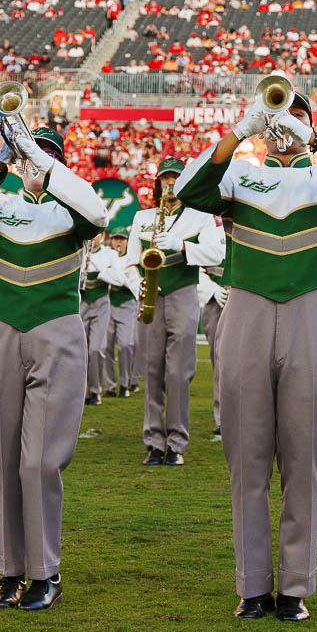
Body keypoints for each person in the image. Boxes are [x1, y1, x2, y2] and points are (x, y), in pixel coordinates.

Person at [176, 85, 317, 622]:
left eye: (296, 113)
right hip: (246, 309)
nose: (284, 122)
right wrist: (241, 132)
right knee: (246, 458)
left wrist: (315, 140)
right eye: (276, 113)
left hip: (314, 311)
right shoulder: (240, 176)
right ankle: (251, 585)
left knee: (302, 458)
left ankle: (294, 586)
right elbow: (188, 189)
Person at [0, 124, 107, 612]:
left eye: (48, 156)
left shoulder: (72, 207)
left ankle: (45, 571)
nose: (36, 164)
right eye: (30, 155)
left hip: (55, 330)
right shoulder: (2, 205)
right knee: (1, 457)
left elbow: (97, 214)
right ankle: (9, 571)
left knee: (39, 460)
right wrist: (1, 161)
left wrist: (48, 166)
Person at [129, 158, 219, 466]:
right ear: (158, 183)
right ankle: (154, 441)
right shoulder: (142, 217)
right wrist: (137, 286)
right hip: (150, 297)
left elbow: (217, 253)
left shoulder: (201, 218)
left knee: (179, 373)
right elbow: (130, 263)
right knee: (151, 372)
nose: (170, 184)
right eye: (165, 179)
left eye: (175, 180)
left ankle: (177, 442)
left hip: (182, 295)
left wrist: (181, 245)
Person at [79, 230, 125, 409]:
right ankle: (81, 392)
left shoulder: (110, 254)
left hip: (101, 303)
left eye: (96, 235)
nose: (93, 238)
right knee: (80, 350)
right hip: (81, 302)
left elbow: (120, 279)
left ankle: (96, 390)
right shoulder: (79, 251)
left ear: (103, 236)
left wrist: (98, 268)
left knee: (96, 349)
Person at [195, 221, 229, 437]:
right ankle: (223, 418)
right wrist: (213, 290)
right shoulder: (210, 233)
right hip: (216, 302)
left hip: (247, 300)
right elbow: (194, 267)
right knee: (220, 360)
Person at [103, 227, 139, 398]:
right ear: (111, 240)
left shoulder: (130, 259)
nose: (119, 242)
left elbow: (127, 281)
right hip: (108, 302)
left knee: (126, 345)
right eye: (116, 239)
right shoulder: (106, 256)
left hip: (127, 303)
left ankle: (125, 383)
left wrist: (111, 275)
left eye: (122, 239)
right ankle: (110, 385)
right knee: (106, 346)